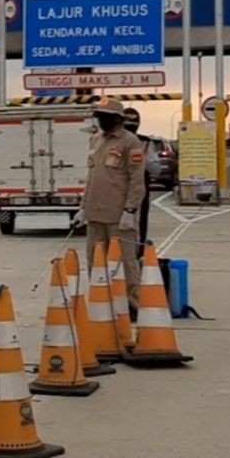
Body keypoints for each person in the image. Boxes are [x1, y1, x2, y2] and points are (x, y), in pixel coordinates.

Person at [75, 98, 145, 316]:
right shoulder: (95, 140)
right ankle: (101, 302)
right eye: (99, 116)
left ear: (117, 119)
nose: (100, 120)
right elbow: (92, 177)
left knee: (126, 262)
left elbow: (136, 180)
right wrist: (82, 207)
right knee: (95, 261)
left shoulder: (130, 142)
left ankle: (132, 306)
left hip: (119, 215)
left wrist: (130, 210)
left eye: (104, 116)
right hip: (95, 213)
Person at [122, 107, 152, 251]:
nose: (131, 124)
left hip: (139, 186)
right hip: (117, 186)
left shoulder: (145, 142)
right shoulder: (109, 140)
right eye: (127, 120)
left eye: (134, 121)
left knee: (139, 224)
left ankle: (138, 252)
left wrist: (142, 158)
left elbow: (156, 168)